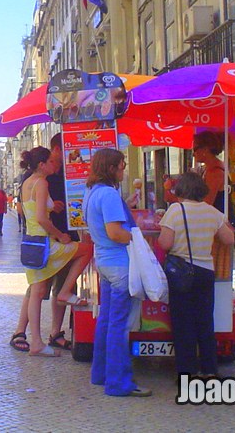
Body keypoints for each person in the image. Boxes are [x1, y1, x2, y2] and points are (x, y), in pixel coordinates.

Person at [83, 148, 151, 397]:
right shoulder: (109, 195)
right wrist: (136, 237)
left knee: (107, 320)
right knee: (119, 325)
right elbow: (115, 233)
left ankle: (100, 373)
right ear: (111, 168)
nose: (124, 170)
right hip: (120, 265)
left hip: (104, 261)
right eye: (121, 166)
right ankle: (119, 382)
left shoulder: (90, 192)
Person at [157, 171, 234, 378]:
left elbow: (165, 243)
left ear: (181, 189)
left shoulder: (175, 210)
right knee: (205, 322)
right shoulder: (212, 211)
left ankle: (187, 372)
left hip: (181, 273)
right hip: (206, 272)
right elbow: (229, 239)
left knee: (183, 324)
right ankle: (209, 370)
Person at [19, 146, 92, 357]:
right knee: (86, 250)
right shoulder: (42, 183)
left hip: (32, 242)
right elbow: (42, 218)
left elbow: (33, 212)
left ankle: (36, 342)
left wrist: (53, 206)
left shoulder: (27, 182)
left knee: (37, 292)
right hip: (46, 242)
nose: (56, 164)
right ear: (42, 165)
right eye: (52, 161)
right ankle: (65, 291)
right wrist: (60, 235)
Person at [192, 131, 235, 231]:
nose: (193, 154)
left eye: (195, 149)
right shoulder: (207, 169)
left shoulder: (215, 172)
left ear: (205, 149)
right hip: (217, 224)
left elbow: (207, 203)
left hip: (222, 226)